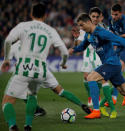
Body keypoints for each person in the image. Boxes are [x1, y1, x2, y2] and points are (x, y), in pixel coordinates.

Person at [1, 3, 90, 131]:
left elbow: (8, 41)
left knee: (7, 102)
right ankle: (28, 126)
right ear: (45, 15)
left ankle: (13, 125)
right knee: (33, 94)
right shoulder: (50, 30)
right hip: (41, 70)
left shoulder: (23, 27)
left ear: (31, 14)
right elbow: (64, 52)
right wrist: (63, 63)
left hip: (24, 67)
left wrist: (7, 60)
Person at [69, 13, 125, 120]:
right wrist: (73, 50)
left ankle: (96, 111)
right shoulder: (88, 35)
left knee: (90, 78)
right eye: (79, 26)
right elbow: (82, 46)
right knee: (124, 90)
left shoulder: (101, 32)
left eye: (82, 25)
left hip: (111, 63)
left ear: (88, 22)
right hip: (113, 65)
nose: (81, 28)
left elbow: (118, 39)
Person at [71, 7, 117, 118]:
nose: (95, 19)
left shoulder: (102, 28)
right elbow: (79, 45)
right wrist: (75, 39)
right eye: (93, 17)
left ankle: (111, 105)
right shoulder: (84, 28)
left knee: (103, 80)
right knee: (86, 78)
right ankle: (94, 99)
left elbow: (111, 40)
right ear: (89, 17)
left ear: (100, 17)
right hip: (88, 56)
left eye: (97, 17)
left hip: (98, 56)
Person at [106, 3, 125, 106]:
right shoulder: (110, 19)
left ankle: (114, 97)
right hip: (119, 46)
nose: (113, 17)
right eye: (112, 14)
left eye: (116, 15)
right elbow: (111, 33)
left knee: (118, 68)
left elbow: (122, 40)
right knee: (112, 70)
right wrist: (117, 37)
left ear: (120, 13)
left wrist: (115, 39)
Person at [9, 41, 46, 117]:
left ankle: (36, 110)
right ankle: (37, 110)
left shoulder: (16, 46)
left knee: (23, 92)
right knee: (23, 92)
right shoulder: (28, 42)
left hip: (26, 70)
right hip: (25, 71)